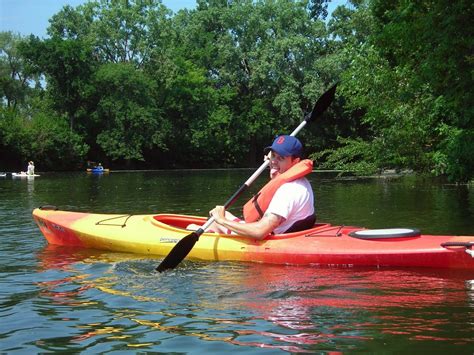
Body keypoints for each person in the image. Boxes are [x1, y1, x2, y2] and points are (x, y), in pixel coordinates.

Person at [197, 135, 315, 240]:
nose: (273, 161)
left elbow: (259, 232)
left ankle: (207, 237)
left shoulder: (287, 191)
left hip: (268, 241)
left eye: (281, 158)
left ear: (295, 161)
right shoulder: (302, 182)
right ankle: (213, 234)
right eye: (273, 156)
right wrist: (277, 165)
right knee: (224, 215)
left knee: (200, 225)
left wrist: (221, 220)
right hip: (285, 234)